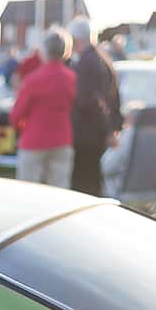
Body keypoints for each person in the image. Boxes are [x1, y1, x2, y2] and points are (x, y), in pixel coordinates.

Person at [10, 28, 76, 189]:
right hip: (62, 139)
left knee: (28, 190)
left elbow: (16, 115)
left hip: (34, 140)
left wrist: (20, 128)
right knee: (60, 191)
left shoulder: (33, 80)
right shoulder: (72, 78)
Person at [67, 17, 122, 197]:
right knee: (93, 183)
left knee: (84, 188)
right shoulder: (104, 60)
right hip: (97, 133)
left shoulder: (85, 63)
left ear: (75, 39)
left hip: (86, 135)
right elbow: (114, 98)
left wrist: (107, 129)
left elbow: (88, 101)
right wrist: (113, 127)